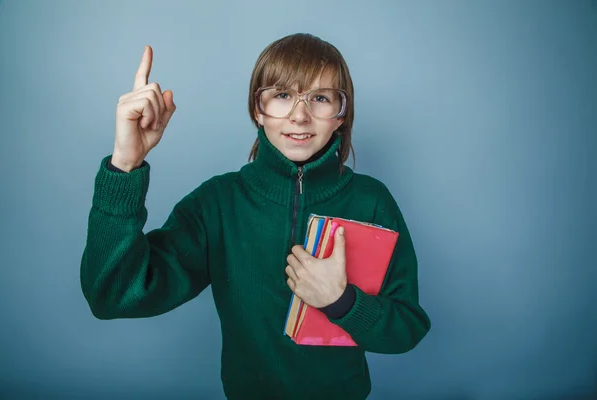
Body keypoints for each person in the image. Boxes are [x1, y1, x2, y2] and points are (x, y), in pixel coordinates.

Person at [80, 33, 431, 400]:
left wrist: (341, 301)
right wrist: (124, 164)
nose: (299, 114)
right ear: (257, 110)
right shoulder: (216, 203)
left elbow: (407, 328)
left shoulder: (372, 201)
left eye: (321, 98)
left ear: (341, 116)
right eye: (281, 96)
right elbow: (112, 296)